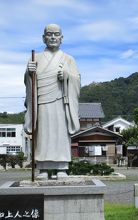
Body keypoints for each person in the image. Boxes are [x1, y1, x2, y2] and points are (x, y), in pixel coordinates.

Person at [24, 24, 80, 180]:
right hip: (42, 103)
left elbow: (77, 80)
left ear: (62, 38)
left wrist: (67, 75)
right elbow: (28, 82)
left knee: (60, 136)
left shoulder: (69, 59)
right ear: (43, 38)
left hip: (61, 103)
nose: (53, 37)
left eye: (56, 34)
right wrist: (29, 73)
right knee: (43, 136)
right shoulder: (36, 58)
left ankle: (62, 167)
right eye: (49, 34)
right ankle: (43, 169)